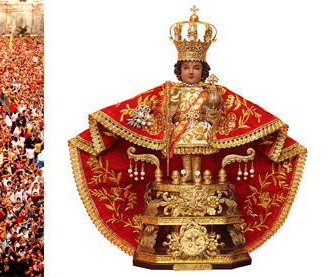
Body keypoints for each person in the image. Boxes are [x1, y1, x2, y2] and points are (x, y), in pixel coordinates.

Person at [68, 6, 306, 258]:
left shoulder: (214, 90)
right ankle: (187, 181)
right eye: (186, 68)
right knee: (185, 162)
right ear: (178, 69)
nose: (190, 72)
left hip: (202, 134)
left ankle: (196, 181)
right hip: (181, 135)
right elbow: (145, 106)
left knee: (199, 164)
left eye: (195, 68)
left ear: (202, 69)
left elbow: (240, 112)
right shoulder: (169, 91)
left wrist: (214, 110)